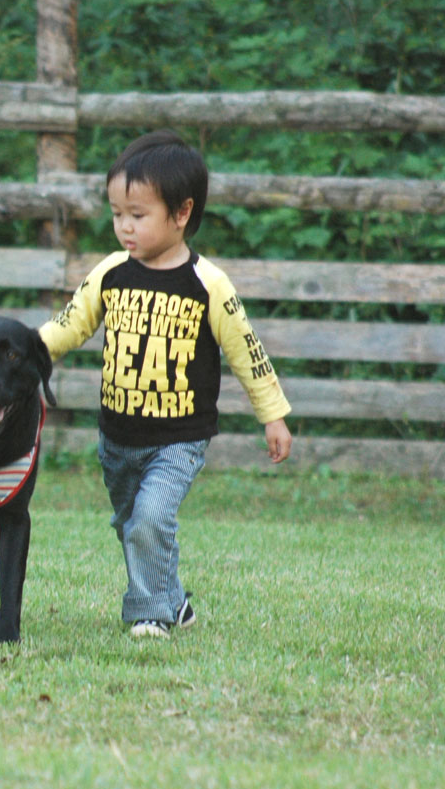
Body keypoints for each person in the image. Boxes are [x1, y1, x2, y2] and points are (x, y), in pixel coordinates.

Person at [39, 129, 293, 638]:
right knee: (131, 525)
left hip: (179, 438)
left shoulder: (208, 284)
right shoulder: (110, 273)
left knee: (149, 522)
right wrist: (20, 354)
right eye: (116, 214)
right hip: (117, 437)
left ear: (181, 213)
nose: (124, 227)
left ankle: (149, 616)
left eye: (138, 215)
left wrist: (273, 415)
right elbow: (67, 328)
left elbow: (248, 352)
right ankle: (174, 602)